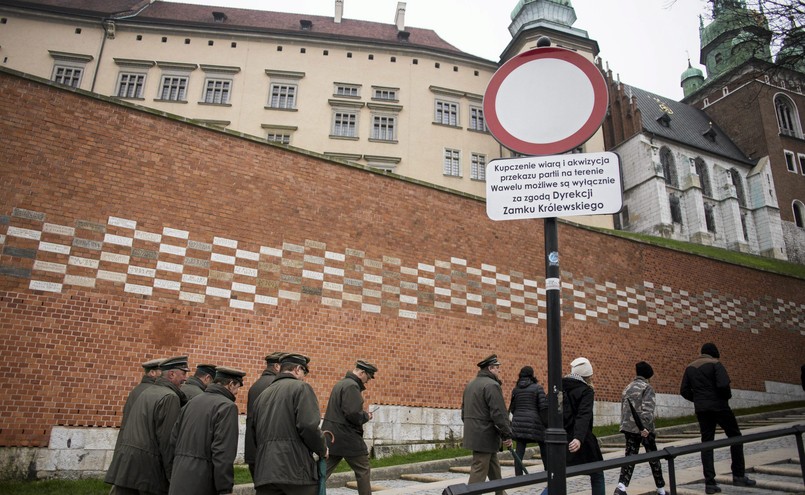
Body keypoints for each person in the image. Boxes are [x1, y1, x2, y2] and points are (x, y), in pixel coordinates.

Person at [106, 356, 190, 495]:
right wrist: (171, 475)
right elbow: (167, 441)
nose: (185, 378)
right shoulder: (170, 397)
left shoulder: (147, 391)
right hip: (147, 468)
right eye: (183, 373)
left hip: (128, 463)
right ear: (172, 374)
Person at [680, 343, 756, 494]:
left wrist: (698, 400)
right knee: (735, 437)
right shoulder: (716, 364)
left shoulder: (690, 368)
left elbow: (684, 390)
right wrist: (724, 398)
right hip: (719, 407)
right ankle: (739, 475)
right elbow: (723, 385)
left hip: (702, 409)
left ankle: (710, 483)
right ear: (714, 353)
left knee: (707, 443)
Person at [251, 353, 328, 495]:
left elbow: (254, 433)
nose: (304, 377)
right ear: (298, 369)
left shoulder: (262, 396)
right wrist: (322, 449)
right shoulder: (301, 388)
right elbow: (308, 426)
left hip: (265, 473)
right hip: (295, 471)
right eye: (304, 372)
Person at [169, 366, 246, 495]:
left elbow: (173, 440)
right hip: (203, 482)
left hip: (179, 479)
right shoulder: (227, 407)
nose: (237, 392)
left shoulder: (191, 403)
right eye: (238, 387)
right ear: (231, 384)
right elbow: (222, 452)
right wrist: (225, 488)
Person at [105, 358, 165, 493]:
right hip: (140, 449)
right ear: (152, 373)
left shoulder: (139, 389)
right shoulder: (151, 392)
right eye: (162, 371)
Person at [323, 359, 379, 495]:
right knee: (363, 470)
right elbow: (353, 415)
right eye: (368, 377)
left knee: (322, 472)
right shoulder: (352, 386)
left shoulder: (341, 383)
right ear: (362, 372)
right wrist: (366, 416)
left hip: (332, 436)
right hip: (347, 437)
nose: (368, 381)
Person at [461, 354, 512, 495]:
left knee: (493, 466)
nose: (499, 371)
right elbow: (499, 413)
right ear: (490, 368)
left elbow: (463, 411)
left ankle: (501, 493)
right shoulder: (492, 385)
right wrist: (506, 433)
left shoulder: (471, 384)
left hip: (476, 433)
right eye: (497, 368)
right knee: (479, 469)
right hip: (486, 434)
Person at [614, 361, 666, 495]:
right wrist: (646, 429)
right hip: (644, 430)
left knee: (630, 457)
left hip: (629, 428)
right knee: (654, 459)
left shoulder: (627, 388)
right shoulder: (647, 388)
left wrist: (625, 426)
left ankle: (621, 487)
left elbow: (624, 410)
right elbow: (648, 411)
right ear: (648, 375)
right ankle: (661, 489)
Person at [563, 357, 605, 495]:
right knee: (597, 472)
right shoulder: (586, 391)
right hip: (581, 439)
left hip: (561, 438)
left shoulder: (559, 386)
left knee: (558, 477)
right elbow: (584, 414)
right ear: (587, 376)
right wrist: (579, 438)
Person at [246, 352, 285, 478]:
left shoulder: (255, 385)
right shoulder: (277, 385)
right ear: (277, 367)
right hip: (269, 451)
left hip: (253, 448)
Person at [509, 365, 548, 475]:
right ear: (532, 375)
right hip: (534, 423)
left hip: (519, 422)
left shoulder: (515, 390)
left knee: (519, 451)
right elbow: (543, 407)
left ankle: (518, 476)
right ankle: (548, 472)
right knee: (544, 447)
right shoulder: (537, 388)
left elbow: (512, 408)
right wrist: (545, 422)